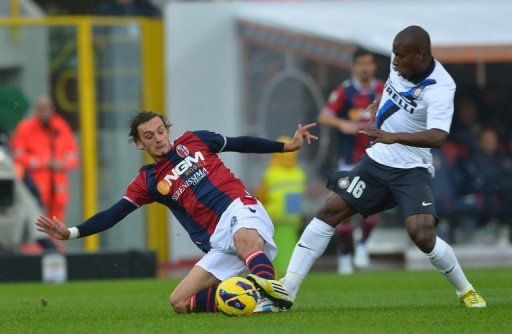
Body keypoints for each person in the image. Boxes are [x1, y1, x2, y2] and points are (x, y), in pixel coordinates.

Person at [281, 26, 486, 308]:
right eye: (394, 56)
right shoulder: (398, 63)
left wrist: (394, 136)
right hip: (376, 162)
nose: (395, 62)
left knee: (422, 235)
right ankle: (287, 289)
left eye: (401, 57)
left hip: (412, 169)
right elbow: (393, 90)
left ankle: (466, 290)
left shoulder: (440, 87)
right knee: (329, 210)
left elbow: (438, 136)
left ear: (420, 54)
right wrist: (382, 106)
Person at [36, 111, 317, 314]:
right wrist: (72, 232)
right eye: (149, 136)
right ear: (139, 144)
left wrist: (285, 147)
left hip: (239, 209)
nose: (158, 139)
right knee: (180, 302)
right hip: (218, 243)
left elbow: (240, 143)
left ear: (167, 130)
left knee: (245, 240)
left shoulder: (195, 141)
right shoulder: (146, 181)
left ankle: (275, 297)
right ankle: (247, 298)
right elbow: (115, 213)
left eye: (160, 131)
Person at [318, 48, 384, 275]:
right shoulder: (344, 92)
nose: (365, 68)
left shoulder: (382, 89)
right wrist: (342, 124)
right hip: (348, 161)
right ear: (354, 67)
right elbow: (324, 116)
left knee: (373, 210)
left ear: (373, 66)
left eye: (369, 63)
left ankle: (363, 245)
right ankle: (345, 254)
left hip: (376, 159)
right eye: (361, 64)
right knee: (343, 210)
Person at [11, 94, 79, 223]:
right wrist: (43, 162)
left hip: (58, 184)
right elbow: (18, 155)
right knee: (34, 220)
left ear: (52, 108)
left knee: (57, 223)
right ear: (35, 109)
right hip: (34, 182)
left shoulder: (61, 127)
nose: (43, 111)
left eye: (46, 107)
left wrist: (62, 163)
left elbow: (73, 156)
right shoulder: (25, 128)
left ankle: (56, 243)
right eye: (40, 107)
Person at [255, 137, 306, 275]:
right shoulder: (299, 173)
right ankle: (286, 277)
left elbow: (261, 196)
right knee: (287, 252)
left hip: (274, 220)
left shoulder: (271, 173)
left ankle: (276, 277)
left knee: (274, 252)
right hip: (290, 220)